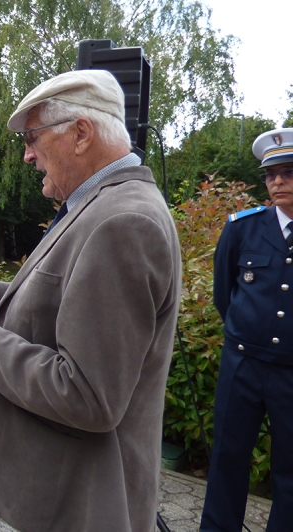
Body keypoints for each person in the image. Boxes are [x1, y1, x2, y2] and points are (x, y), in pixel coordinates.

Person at [0, 70, 182, 530]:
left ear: (82, 134)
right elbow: (80, 302)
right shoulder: (102, 204)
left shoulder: (122, 221)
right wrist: (4, 294)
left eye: (32, 137)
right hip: (68, 492)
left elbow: (87, 395)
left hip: (84, 503)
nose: (28, 155)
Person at [200, 128, 293, 532]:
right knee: (227, 458)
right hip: (242, 364)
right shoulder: (242, 228)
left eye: (288, 172)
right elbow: (226, 295)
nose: (277, 182)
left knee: (290, 467)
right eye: (270, 175)